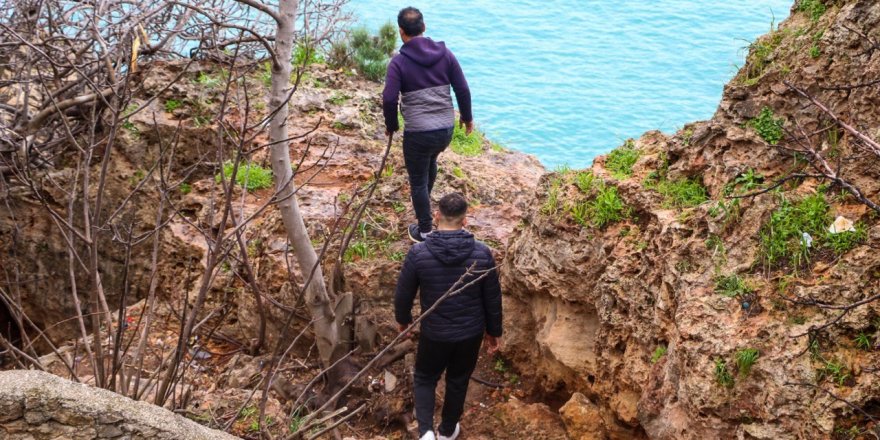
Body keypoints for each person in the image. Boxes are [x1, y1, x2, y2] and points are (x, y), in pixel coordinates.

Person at [394, 192, 502, 440]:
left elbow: (403, 294)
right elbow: (492, 299)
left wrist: (404, 321)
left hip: (435, 332)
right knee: (458, 379)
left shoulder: (418, 254)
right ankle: (446, 431)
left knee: (425, 377)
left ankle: (426, 433)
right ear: (465, 221)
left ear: (436, 216)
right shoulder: (482, 254)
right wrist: (493, 332)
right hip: (470, 333)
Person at [382, 6, 474, 243]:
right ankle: (423, 200)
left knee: (418, 180)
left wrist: (391, 125)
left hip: (419, 134)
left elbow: (390, 98)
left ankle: (424, 230)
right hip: (445, 130)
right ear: (423, 27)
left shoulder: (399, 62)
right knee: (430, 161)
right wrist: (467, 117)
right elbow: (462, 88)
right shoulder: (445, 54)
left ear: (401, 32)